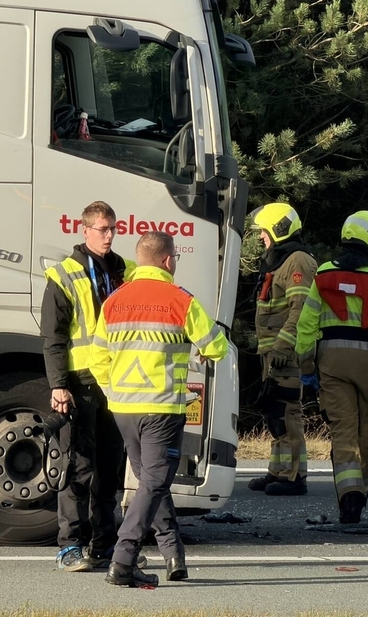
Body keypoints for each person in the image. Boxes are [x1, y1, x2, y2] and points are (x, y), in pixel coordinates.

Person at [90, 230, 228, 588]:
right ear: (168, 261)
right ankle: (123, 559)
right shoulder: (180, 300)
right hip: (162, 408)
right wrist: (199, 351)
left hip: (122, 408)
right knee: (154, 482)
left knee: (153, 482)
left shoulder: (115, 300)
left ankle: (172, 554)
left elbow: (96, 358)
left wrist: (113, 389)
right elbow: (217, 347)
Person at [294, 211, 368, 525]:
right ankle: (360, 494)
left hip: (333, 363)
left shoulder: (323, 275)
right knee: (367, 435)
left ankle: (350, 498)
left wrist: (306, 365)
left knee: (343, 432)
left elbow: (306, 326)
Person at [41, 201, 138, 573]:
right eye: (102, 229)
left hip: (115, 382)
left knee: (111, 468)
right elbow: (53, 336)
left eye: (112, 228)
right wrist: (58, 386)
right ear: (84, 231)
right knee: (77, 467)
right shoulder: (64, 275)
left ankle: (104, 545)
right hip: (80, 384)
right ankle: (69, 546)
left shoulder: (126, 271)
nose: (109, 235)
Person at [246, 203, 317, 496]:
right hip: (273, 351)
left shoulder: (297, 260)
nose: (261, 237)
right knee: (274, 411)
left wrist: (284, 345)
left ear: (278, 229)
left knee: (287, 412)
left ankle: (292, 476)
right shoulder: (279, 260)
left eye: (264, 232)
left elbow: (299, 310)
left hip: (284, 351)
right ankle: (278, 470)